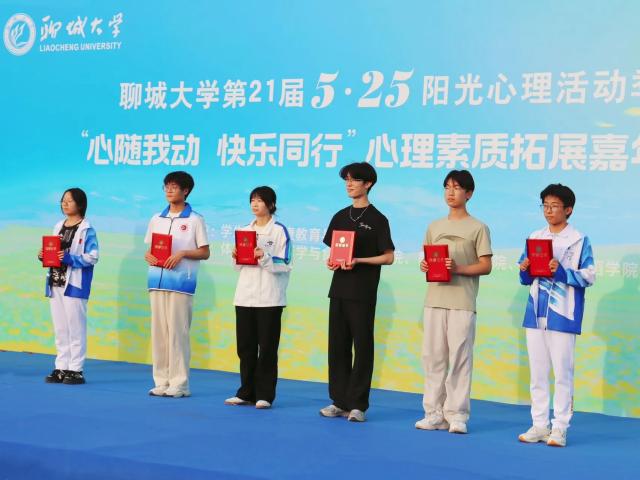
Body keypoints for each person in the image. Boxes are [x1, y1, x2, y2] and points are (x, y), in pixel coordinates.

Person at [517, 184, 595, 447]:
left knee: (562, 372)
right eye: (545, 206)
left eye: (554, 206)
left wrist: (561, 272)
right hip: (536, 312)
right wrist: (525, 269)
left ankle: (560, 427)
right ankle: (539, 424)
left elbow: (589, 276)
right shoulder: (535, 237)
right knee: (537, 373)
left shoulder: (579, 240)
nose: (549, 211)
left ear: (568, 209)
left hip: (563, 314)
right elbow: (524, 278)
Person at [415, 169, 492, 434]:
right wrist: (426, 265)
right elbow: (428, 259)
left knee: (460, 358)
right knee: (433, 358)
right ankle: (433, 413)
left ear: (469, 194)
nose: (451, 192)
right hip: (434, 299)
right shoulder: (434, 227)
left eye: (457, 188)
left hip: (462, 301)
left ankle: (457, 415)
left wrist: (458, 269)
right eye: (447, 187)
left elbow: (485, 265)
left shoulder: (478, 227)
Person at [319, 162, 395, 423]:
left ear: (368, 184)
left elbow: (388, 257)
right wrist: (332, 261)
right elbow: (334, 252)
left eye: (354, 180)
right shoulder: (340, 216)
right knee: (337, 347)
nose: (349, 184)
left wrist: (360, 261)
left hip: (363, 292)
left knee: (362, 347)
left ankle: (358, 405)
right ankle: (338, 401)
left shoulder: (378, 219)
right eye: (346, 180)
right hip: (339, 290)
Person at [224, 186, 292, 410]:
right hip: (244, 296)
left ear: (271, 205)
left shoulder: (279, 231)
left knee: (268, 348)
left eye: (260, 200)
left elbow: (286, 263)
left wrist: (264, 256)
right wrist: (236, 256)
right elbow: (238, 267)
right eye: (252, 200)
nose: (255, 204)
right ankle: (246, 392)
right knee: (245, 348)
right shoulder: (244, 230)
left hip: (270, 299)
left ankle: (265, 395)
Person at [144, 171, 210, 398]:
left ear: (186, 191)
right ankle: (161, 381)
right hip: (156, 281)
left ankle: (180, 384)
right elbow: (151, 248)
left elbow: (205, 252)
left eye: (174, 187)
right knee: (159, 333)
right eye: (167, 186)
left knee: (178, 334)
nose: (169, 190)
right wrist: (148, 256)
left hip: (181, 283)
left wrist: (182, 253)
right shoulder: (157, 218)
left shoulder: (195, 220)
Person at [38, 187, 99, 385]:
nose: (64, 204)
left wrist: (70, 258)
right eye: (63, 200)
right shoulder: (58, 226)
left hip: (74, 285)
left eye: (69, 201)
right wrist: (44, 256)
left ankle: (76, 369)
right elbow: (54, 251)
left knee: (76, 327)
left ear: (80, 204)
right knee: (60, 328)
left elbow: (93, 257)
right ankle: (61, 366)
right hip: (55, 282)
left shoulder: (87, 229)